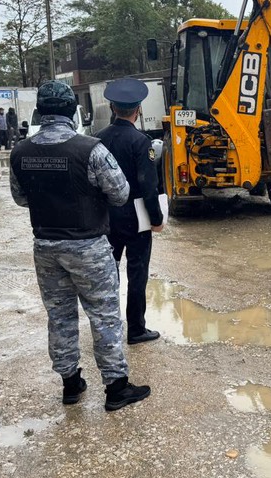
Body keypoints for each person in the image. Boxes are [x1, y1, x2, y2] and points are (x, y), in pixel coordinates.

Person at [9, 80, 150, 411]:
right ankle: (116, 388)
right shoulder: (90, 149)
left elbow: (19, 199)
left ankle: (70, 384)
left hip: (45, 245)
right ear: (73, 111)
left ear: (40, 112)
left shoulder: (20, 151)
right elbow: (120, 193)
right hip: (88, 245)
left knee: (59, 316)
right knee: (104, 316)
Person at [96, 78, 164, 345]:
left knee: (106, 275)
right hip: (136, 220)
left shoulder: (97, 139)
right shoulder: (140, 141)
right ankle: (136, 329)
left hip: (106, 219)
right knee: (137, 273)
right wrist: (156, 219)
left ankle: (107, 331)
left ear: (112, 107)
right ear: (138, 110)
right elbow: (149, 186)